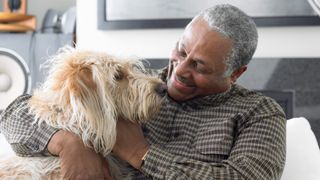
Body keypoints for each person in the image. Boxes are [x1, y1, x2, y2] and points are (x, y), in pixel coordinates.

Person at [0, 4, 286, 180]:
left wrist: (140, 153)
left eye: (199, 66)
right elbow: (16, 113)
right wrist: (68, 143)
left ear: (236, 73)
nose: (180, 69)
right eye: (181, 50)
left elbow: (244, 178)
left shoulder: (259, 114)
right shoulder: (131, 85)